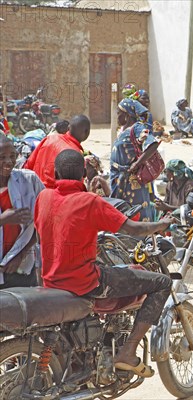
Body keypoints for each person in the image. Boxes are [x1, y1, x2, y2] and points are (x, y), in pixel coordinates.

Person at [35, 149, 174, 378]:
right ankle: (127, 352)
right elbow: (132, 228)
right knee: (162, 282)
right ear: (83, 174)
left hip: (51, 283)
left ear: (57, 173)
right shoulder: (90, 201)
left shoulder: (44, 197)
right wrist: (161, 225)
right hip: (84, 283)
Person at [0, 135, 45, 289]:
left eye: (12, 156)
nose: (8, 162)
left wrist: (21, 255)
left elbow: (43, 221)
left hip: (21, 269)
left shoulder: (29, 180)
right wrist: (3, 220)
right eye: (2, 157)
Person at [110, 98, 159, 222]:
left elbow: (152, 143)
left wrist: (137, 163)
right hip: (120, 178)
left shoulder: (137, 128)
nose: (117, 116)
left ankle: (138, 239)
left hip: (131, 182)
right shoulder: (122, 131)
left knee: (135, 212)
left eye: (119, 113)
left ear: (126, 115)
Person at [24, 114, 90, 189]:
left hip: (33, 192)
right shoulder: (75, 155)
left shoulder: (50, 138)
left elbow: (28, 166)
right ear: (87, 132)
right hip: (53, 197)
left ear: (68, 128)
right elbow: (75, 188)